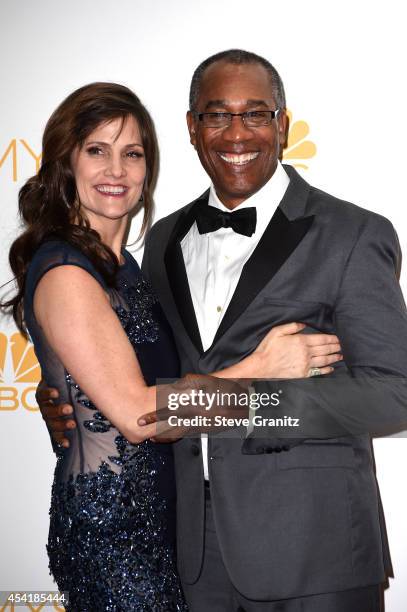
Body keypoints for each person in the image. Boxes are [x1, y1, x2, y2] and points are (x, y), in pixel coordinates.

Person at [36, 49, 407, 612]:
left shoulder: (351, 234)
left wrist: (255, 405)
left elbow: (394, 391)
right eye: (217, 115)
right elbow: (134, 381)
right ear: (192, 128)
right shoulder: (161, 241)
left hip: (313, 549)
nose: (237, 133)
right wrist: (70, 395)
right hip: (186, 550)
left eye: (255, 114)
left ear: (282, 125)